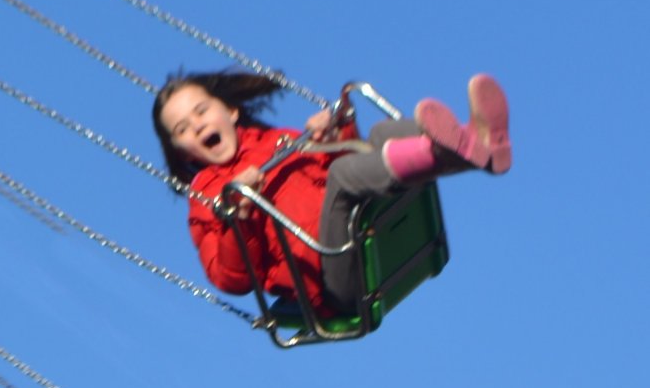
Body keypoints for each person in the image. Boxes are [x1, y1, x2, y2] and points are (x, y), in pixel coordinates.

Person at [152, 70, 511, 316]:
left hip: (363, 226)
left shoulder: (279, 140)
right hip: (332, 278)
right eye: (182, 129)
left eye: (201, 111)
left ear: (231, 111)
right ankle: (448, 152)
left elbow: (341, 160)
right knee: (343, 178)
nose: (196, 125)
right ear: (183, 152)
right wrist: (237, 219)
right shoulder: (208, 197)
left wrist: (337, 131)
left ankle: (476, 141)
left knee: (380, 135)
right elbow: (231, 279)